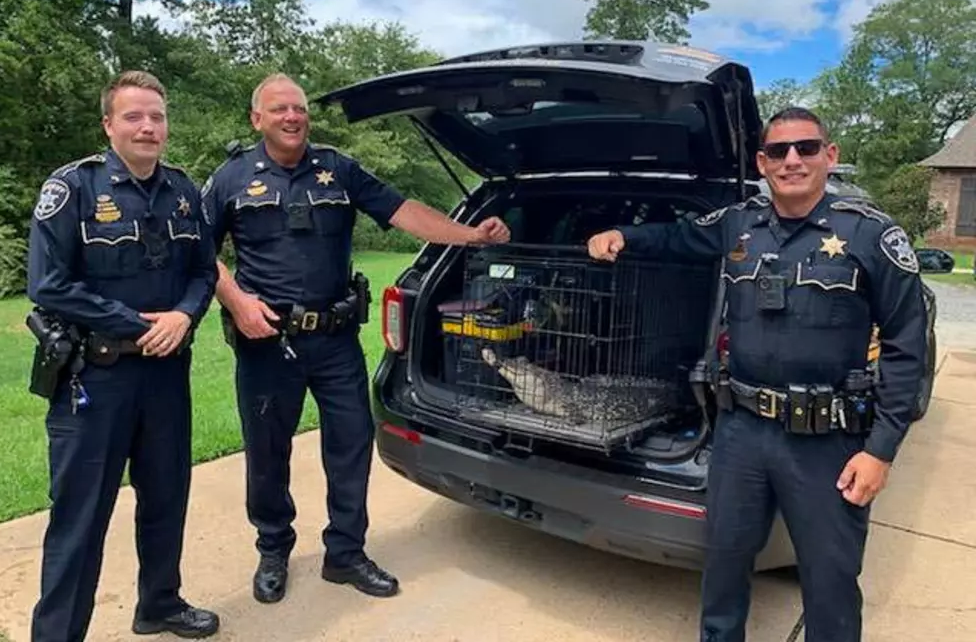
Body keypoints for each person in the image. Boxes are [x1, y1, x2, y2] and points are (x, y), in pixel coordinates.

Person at [587, 107, 928, 642]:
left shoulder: (870, 235)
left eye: (807, 148)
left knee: (830, 581)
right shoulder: (737, 223)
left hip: (828, 440)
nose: (792, 159)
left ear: (829, 156)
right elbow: (677, 237)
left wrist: (881, 449)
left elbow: (908, 350)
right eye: (779, 151)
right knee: (723, 569)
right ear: (762, 163)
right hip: (741, 432)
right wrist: (622, 236)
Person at [200, 73, 510, 605]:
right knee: (268, 451)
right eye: (279, 109)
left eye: (298, 107)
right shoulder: (230, 178)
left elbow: (404, 211)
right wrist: (237, 301)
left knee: (350, 444)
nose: (293, 117)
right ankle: (273, 548)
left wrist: (471, 234)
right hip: (267, 341)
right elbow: (197, 251)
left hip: (337, 339)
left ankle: (345, 553)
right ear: (257, 119)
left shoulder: (338, 169)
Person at [26, 71, 221, 640]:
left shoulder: (184, 190)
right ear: (109, 124)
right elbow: (49, 285)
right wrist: (136, 326)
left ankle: (159, 604)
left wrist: (185, 315)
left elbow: (203, 270)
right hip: (95, 378)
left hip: (164, 377)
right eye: (134, 116)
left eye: (157, 117)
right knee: (80, 519)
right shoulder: (74, 188)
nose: (148, 127)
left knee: (166, 497)